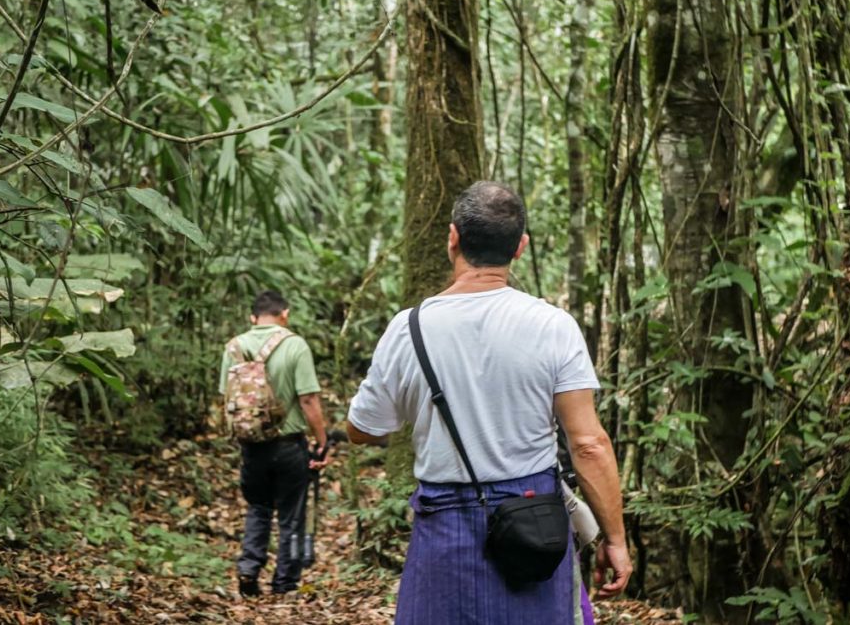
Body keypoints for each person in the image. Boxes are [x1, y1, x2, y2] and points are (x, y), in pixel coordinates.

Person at [346, 181, 631, 624]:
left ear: (453, 237)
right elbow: (589, 443)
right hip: (534, 523)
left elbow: (364, 428)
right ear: (521, 247)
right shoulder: (553, 326)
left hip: (445, 524)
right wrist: (614, 538)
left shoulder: (409, 328)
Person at [218, 290, 330, 597]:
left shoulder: (234, 346)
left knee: (258, 508)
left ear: (253, 318)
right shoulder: (295, 345)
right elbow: (308, 399)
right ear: (285, 314)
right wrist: (322, 442)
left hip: (251, 447)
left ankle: (248, 570)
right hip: (289, 445)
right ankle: (284, 583)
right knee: (292, 516)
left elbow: (225, 397)